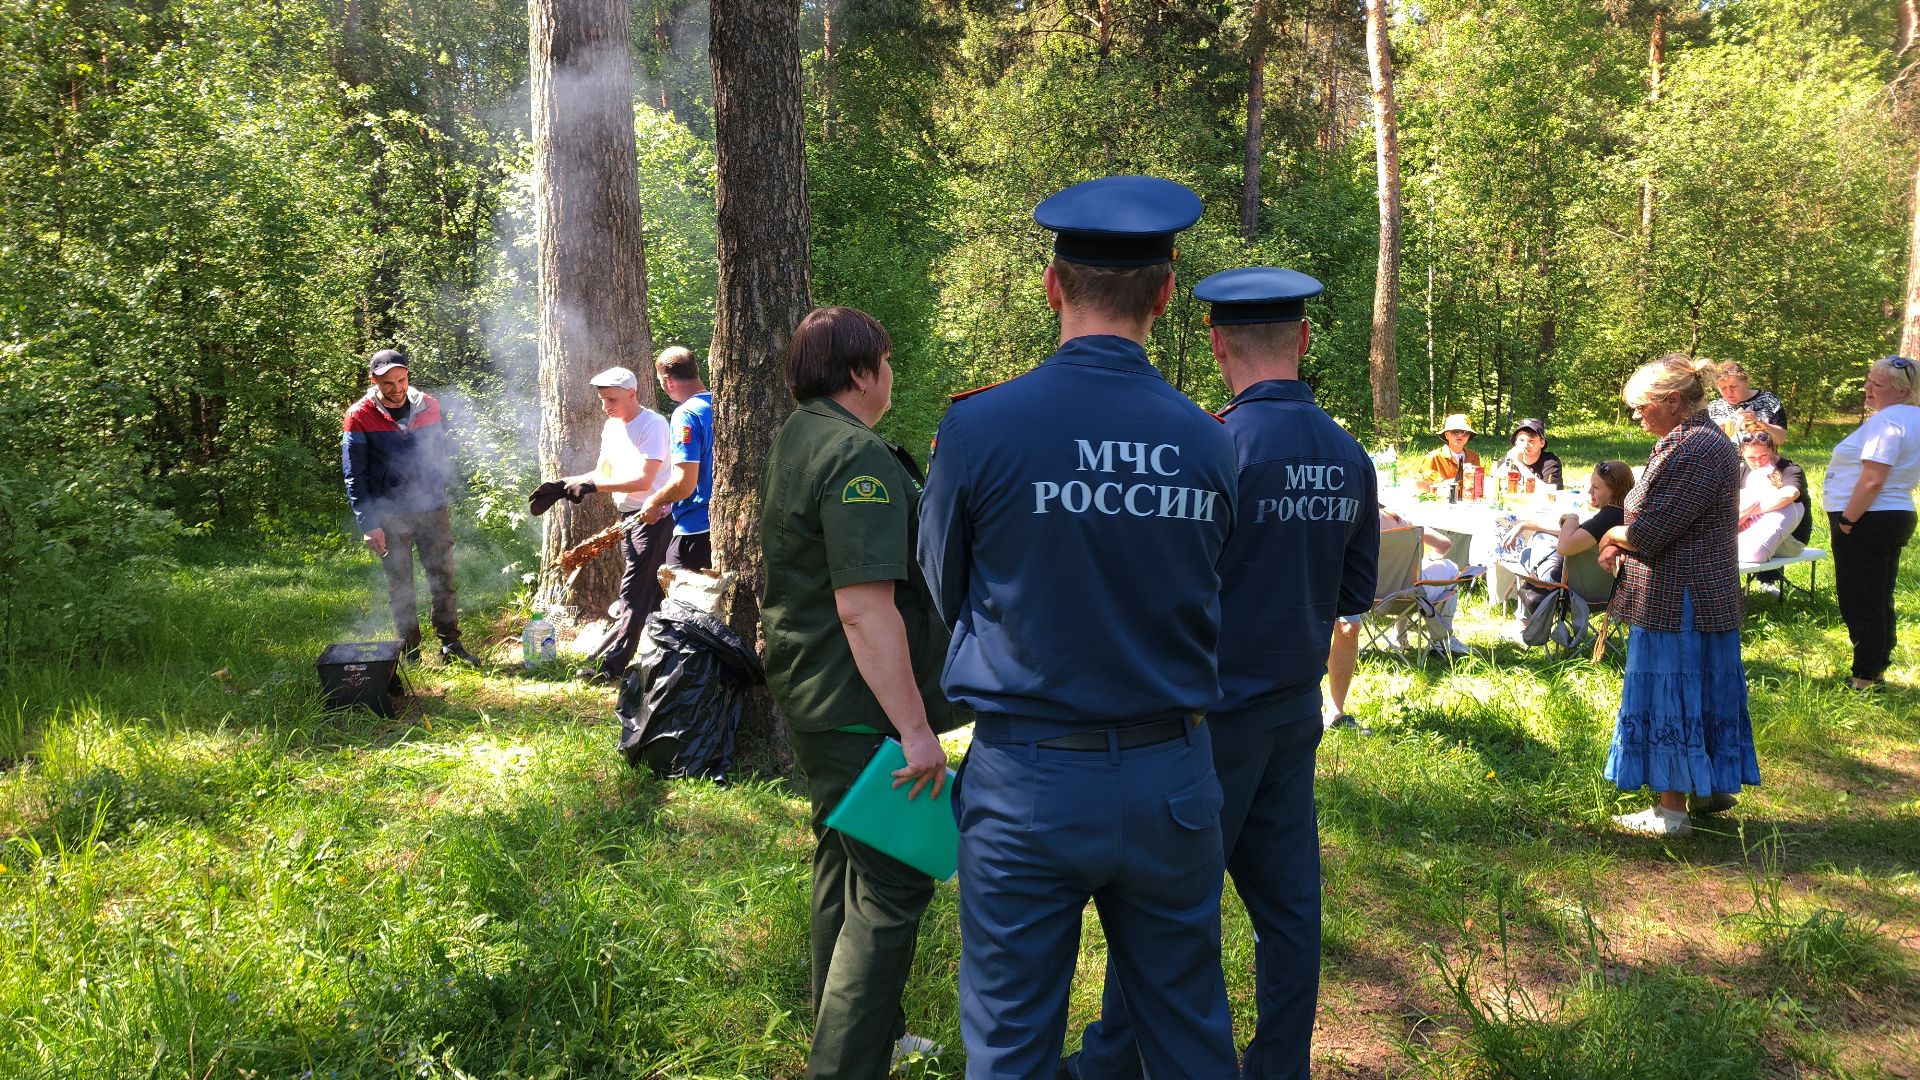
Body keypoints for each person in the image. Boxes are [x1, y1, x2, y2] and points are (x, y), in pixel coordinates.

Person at [917, 175, 1242, 1080]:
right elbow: (1214, 583)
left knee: (1012, 1046)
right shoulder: (1210, 441)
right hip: (1173, 776)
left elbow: (945, 586)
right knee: (1186, 1035)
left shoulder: (979, 428)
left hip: (1027, 780)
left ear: (1053, 285)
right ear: (1168, 294)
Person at [1066, 267, 1377, 1080]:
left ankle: (1112, 1063)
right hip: (1292, 708)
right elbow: (1353, 594)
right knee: (1289, 908)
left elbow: (1161, 589)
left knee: (1168, 908)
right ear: (1304, 340)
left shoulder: (1212, 443)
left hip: (1207, 719)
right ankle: (1280, 1065)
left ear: (1215, 347)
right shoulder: (1348, 453)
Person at [758, 307, 959, 1080]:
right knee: (895, 882)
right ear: (860, 374)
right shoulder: (858, 457)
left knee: (844, 864)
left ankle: (859, 1033)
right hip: (857, 706)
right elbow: (864, 606)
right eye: (887, 360)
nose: (891, 374)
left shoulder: (799, 434)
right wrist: (916, 732)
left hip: (812, 691)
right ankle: (845, 1064)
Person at [1596, 353, 1758, 836]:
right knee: (1701, 691)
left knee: (1674, 695)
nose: (1636, 415)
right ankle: (1708, 787)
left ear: (1672, 401)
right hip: (1695, 594)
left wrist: (1612, 536)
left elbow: (1650, 532)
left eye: (1642, 406)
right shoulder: (1693, 442)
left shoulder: (1696, 448)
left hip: (1681, 598)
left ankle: (1672, 812)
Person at [529, 366, 671, 683]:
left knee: (634, 592)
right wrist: (569, 483)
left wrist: (593, 487)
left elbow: (645, 479)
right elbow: (603, 473)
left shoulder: (653, 425)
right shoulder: (611, 427)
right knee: (653, 594)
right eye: (602, 400)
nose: (605, 406)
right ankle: (668, 657)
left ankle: (610, 667)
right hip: (629, 517)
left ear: (632, 394)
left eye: (612, 399)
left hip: (656, 517)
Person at [340, 348, 477, 666]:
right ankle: (410, 650)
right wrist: (368, 523)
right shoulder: (358, 415)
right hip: (389, 512)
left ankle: (450, 645)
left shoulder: (429, 406)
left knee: (443, 576)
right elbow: (354, 475)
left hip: (432, 507)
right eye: (388, 383)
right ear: (374, 380)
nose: (397, 388)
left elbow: (438, 453)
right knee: (400, 582)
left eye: (401, 380)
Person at [1822, 355, 1920, 690]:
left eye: (1877, 385)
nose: (1868, 389)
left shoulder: (1888, 422)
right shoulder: (1914, 419)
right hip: (1895, 513)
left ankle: (1863, 676)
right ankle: (1875, 667)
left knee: (1859, 597)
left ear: (1902, 390)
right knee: (1878, 595)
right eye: (1868, 381)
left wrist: (1848, 520)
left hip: (1868, 517)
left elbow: (1873, 478)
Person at [1325, 507, 1463, 722]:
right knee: (1448, 568)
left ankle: (1402, 636)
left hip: (1364, 595)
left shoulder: (1349, 519)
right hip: (1407, 595)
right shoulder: (1404, 521)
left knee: (1409, 578)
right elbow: (1445, 545)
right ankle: (1444, 638)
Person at [1505, 461, 1633, 620]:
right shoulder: (1625, 516)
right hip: (1610, 593)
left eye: (1596, 488)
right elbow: (1580, 534)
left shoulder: (1608, 517)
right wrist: (1527, 525)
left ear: (1614, 491)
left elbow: (1564, 546)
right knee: (1542, 538)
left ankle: (1524, 623)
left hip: (1566, 589)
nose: (1589, 491)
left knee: (1528, 551)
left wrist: (1571, 518)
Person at [636, 346, 715, 571]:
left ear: (668, 382)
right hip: (726, 527)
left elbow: (684, 484)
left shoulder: (686, 414)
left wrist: (654, 501)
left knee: (684, 601)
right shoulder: (722, 404)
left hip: (696, 529)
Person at [1735, 432, 1809, 569]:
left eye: (1763, 456)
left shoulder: (1789, 468)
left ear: (1773, 450)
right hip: (1750, 527)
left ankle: (1767, 580)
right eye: (1751, 457)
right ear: (1742, 455)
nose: (1757, 462)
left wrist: (1746, 514)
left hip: (1790, 538)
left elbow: (1788, 495)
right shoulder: (1742, 472)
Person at [1707, 360, 1789, 445]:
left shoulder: (1768, 400)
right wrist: (1716, 433)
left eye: (1734, 386)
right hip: (1725, 457)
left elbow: (1781, 439)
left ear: (1745, 382)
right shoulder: (1714, 407)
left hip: (1761, 457)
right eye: (1723, 388)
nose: (1729, 392)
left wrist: (1759, 422)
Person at [1492, 418, 1563, 488]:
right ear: (1516, 442)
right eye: (1522, 440)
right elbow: (1492, 485)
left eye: (1531, 441)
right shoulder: (1510, 459)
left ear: (1542, 443)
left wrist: (1520, 464)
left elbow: (1548, 493)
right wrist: (1507, 463)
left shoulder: (1551, 463)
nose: (1526, 445)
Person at [1421, 414, 1482, 485]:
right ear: (1446, 435)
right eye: (1456, 432)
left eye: (1465, 433)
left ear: (1469, 436)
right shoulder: (1433, 458)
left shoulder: (1474, 457)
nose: (1460, 435)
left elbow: (1478, 484)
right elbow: (1423, 487)